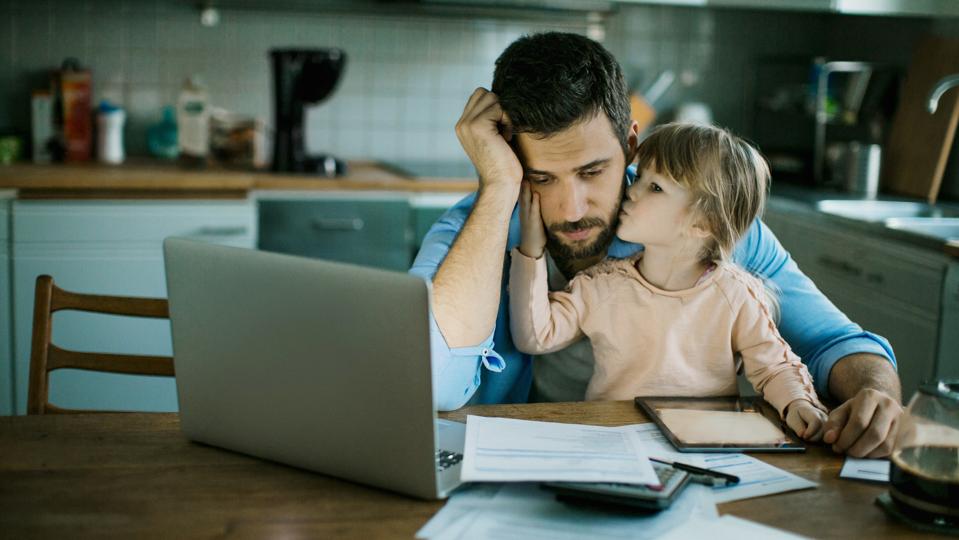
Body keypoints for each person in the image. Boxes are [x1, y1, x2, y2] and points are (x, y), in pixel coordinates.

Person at [410, 31, 903, 458]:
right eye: (540, 177)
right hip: (517, 467)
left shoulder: (704, 226)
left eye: (592, 171)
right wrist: (498, 189)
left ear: (630, 145)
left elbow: (834, 342)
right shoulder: (473, 231)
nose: (572, 208)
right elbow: (428, 383)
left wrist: (874, 395)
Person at [509, 122, 828, 440]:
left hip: (704, 449)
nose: (631, 190)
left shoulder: (736, 295)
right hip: (615, 441)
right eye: (641, 176)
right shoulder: (601, 286)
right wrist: (531, 251)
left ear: (704, 223)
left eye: (655, 187)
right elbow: (536, 336)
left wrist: (799, 403)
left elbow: (774, 367)